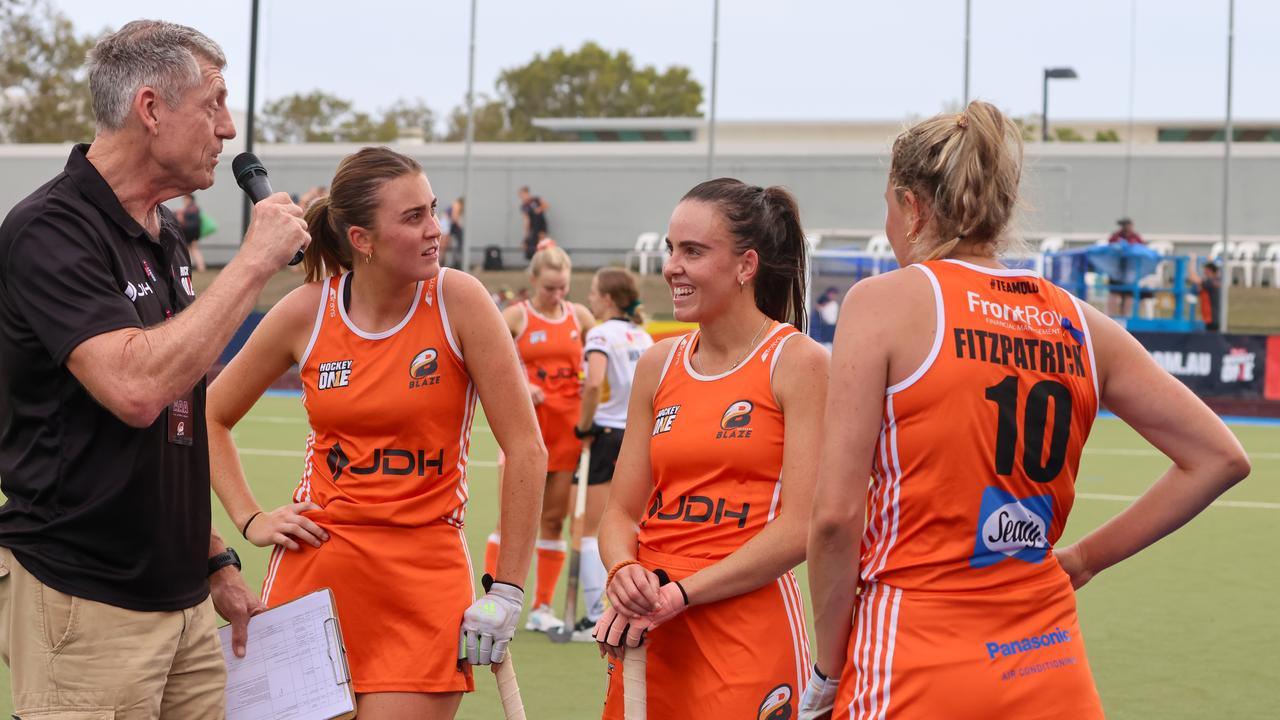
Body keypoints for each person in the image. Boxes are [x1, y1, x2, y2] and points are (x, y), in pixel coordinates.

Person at [801, 101, 1251, 720]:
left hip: (915, 651)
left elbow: (834, 517)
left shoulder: (884, 302)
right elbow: (1220, 458)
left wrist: (826, 674)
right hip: (1048, 659)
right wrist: (1086, 559)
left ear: (911, 206)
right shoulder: (1080, 320)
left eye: (888, 206)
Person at [0, 20, 309, 718]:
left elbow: (173, 426)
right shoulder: (49, 229)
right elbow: (136, 389)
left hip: (183, 602)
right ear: (150, 109)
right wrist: (254, 263)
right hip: (83, 597)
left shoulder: (165, 235)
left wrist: (214, 561)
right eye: (214, 104)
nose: (229, 129)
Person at [206, 147, 546, 719]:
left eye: (432, 210)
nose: (435, 229)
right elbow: (210, 415)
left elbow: (526, 449)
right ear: (362, 239)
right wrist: (250, 517)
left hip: (422, 583)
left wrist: (508, 590)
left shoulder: (459, 300)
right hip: (315, 576)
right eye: (413, 217)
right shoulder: (305, 312)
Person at [594, 178, 829, 718]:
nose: (672, 266)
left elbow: (801, 528)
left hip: (743, 632)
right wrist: (622, 572)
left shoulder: (797, 362)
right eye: (672, 249)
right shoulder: (659, 363)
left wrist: (682, 593)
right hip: (651, 627)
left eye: (693, 251)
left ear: (746, 265)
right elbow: (622, 512)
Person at [484, 244, 594, 633]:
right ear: (533, 281)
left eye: (563, 287)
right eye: (550, 287)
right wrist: (522, 383)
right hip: (524, 429)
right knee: (508, 517)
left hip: (568, 429)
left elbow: (600, 361)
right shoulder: (516, 316)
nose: (557, 295)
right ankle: (491, 599)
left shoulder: (579, 316)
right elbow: (484, 357)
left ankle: (541, 606)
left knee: (553, 520)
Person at [568, 267, 654, 641]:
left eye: (593, 293)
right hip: (642, 435)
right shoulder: (644, 336)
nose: (589, 299)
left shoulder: (601, 334)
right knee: (635, 523)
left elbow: (592, 384)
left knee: (590, 527)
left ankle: (592, 615)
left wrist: (584, 427)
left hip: (605, 434)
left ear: (607, 298)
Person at [1106, 217, 1146, 316]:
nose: (1125, 227)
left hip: (1130, 270)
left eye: (1127, 225)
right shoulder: (1116, 237)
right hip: (1116, 270)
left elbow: (1142, 249)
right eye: (1123, 225)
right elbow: (1109, 248)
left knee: (1129, 294)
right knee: (1114, 292)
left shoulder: (1135, 237)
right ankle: (1112, 315)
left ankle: (1125, 315)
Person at [175, 192, 208, 271]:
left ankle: (200, 267)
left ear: (189, 199)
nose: (184, 201)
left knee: (191, 250)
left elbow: (187, 223)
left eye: (185, 199)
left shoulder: (190, 209)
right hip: (193, 233)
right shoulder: (194, 208)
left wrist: (181, 219)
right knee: (192, 250)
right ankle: (200, 267)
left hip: (190, 233)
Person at [1188, 259, 1222, 331]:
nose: (1204, 271)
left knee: (1211, 338)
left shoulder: (1209, 282)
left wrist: (1192, 260)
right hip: (1214, 317)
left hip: (1211, 318)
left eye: (1205, 269)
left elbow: (1192, 277)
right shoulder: (1215, 280)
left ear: (1209, 270)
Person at [519, 186, 550, 260]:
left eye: (523, 195)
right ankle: (534, 261)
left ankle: (544, 261)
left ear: (527, 193)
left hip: (540, 223)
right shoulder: (524, 206)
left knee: (541, 243)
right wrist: (526, 232)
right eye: (521, 196)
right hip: (533, 226)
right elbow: (526, 220)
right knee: (530, 244)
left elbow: (547, 206)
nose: (522, 197)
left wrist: (539, 209)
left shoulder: (536, 200)